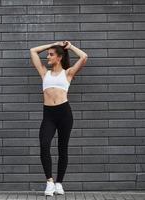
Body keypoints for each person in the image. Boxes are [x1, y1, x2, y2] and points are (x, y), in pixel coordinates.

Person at [30, 41, 88, 196]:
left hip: (64, 114)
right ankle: (49, 181)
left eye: (51, 54)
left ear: (59, 57)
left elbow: (84, 56)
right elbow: (33, 50)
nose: (47, 57)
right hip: (48, 114)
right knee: (44, 144)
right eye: (48, 54)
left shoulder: (68, 73)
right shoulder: (44, 73)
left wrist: (70, 47)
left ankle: (59, 183)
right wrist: (54, 44)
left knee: (63, 149)